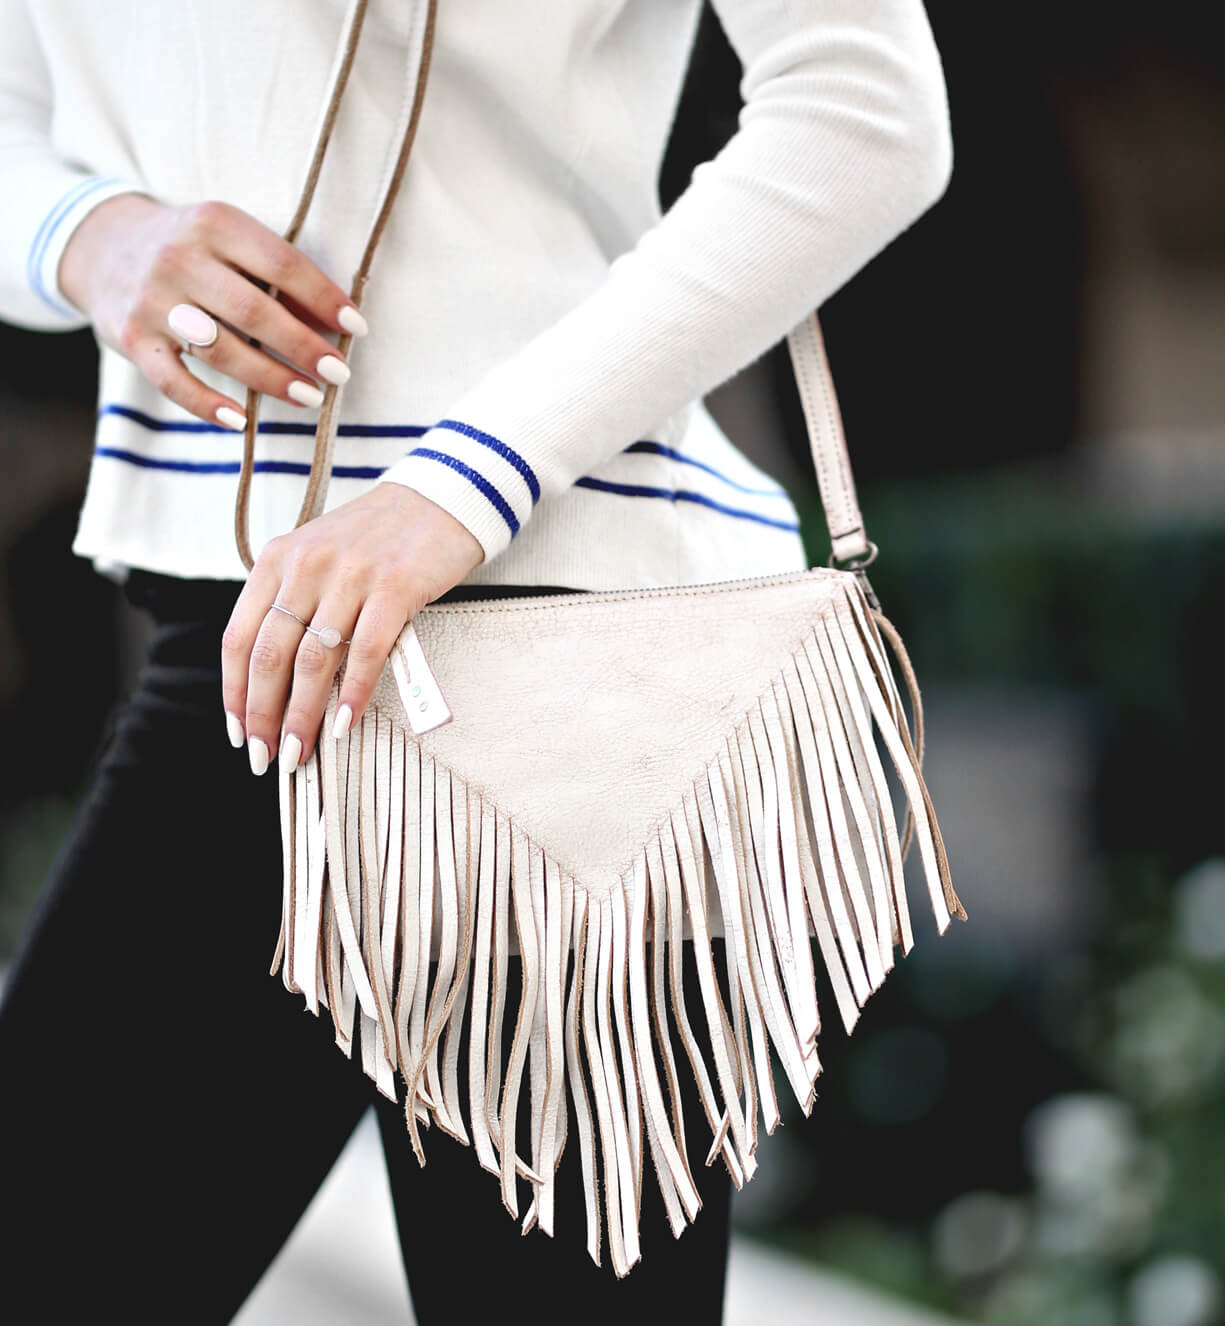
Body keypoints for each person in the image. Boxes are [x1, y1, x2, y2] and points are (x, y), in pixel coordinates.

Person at [0, 0, 953, 1319]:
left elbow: (866, 107)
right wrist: (87, 238)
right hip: (239, 655)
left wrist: (458, 483)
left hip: (566, 674)